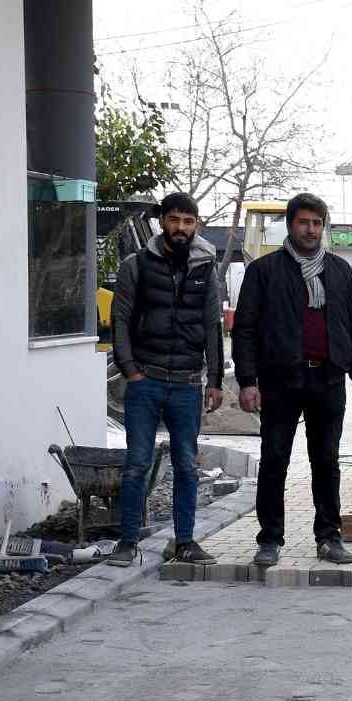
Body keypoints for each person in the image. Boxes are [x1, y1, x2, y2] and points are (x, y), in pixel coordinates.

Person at [233, 192, 352, 567]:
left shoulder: (340, 270)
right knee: (275, 459)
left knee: (326, 461)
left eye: (316, 223)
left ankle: (329, 537)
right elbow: (244, 329)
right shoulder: (264, 271)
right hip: (280, 381)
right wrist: (247, 381)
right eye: (303, 222)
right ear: (290, 226)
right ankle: (270, 539)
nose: (310, 230)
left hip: (328, 379)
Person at [107, 192, 226, 567]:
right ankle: (127, 542)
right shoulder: (136, 265)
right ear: (162, 222)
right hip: (147, 380)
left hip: (188, 384)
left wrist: (215, 380)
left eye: (188, 222)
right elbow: (120, 320)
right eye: (174, 220)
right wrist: (131, 371)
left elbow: (212, 324)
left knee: (187, 465)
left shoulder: (206, 268)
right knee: (137, 464)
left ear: (197, 225)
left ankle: (185, 542)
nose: (180, 228)